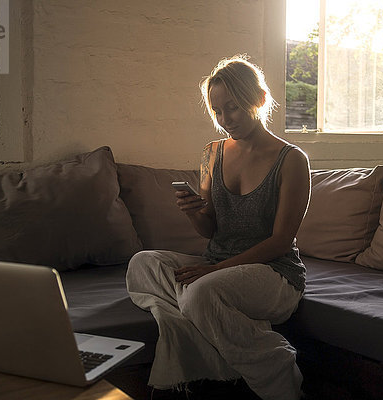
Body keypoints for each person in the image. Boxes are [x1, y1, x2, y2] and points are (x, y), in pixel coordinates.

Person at [126, 55, 311, 400]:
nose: (225, 119)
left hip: (274, 274)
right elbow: (210, 232)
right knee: (143, 263)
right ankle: (215, 329)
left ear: (257, 100)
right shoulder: (212, 153)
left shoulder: (292, 160)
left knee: (200, 293)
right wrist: (193, 212)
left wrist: (212, 270)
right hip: (218, 268)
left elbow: (281, 241)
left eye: (233, 107)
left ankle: (278, 368)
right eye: (217, 111)